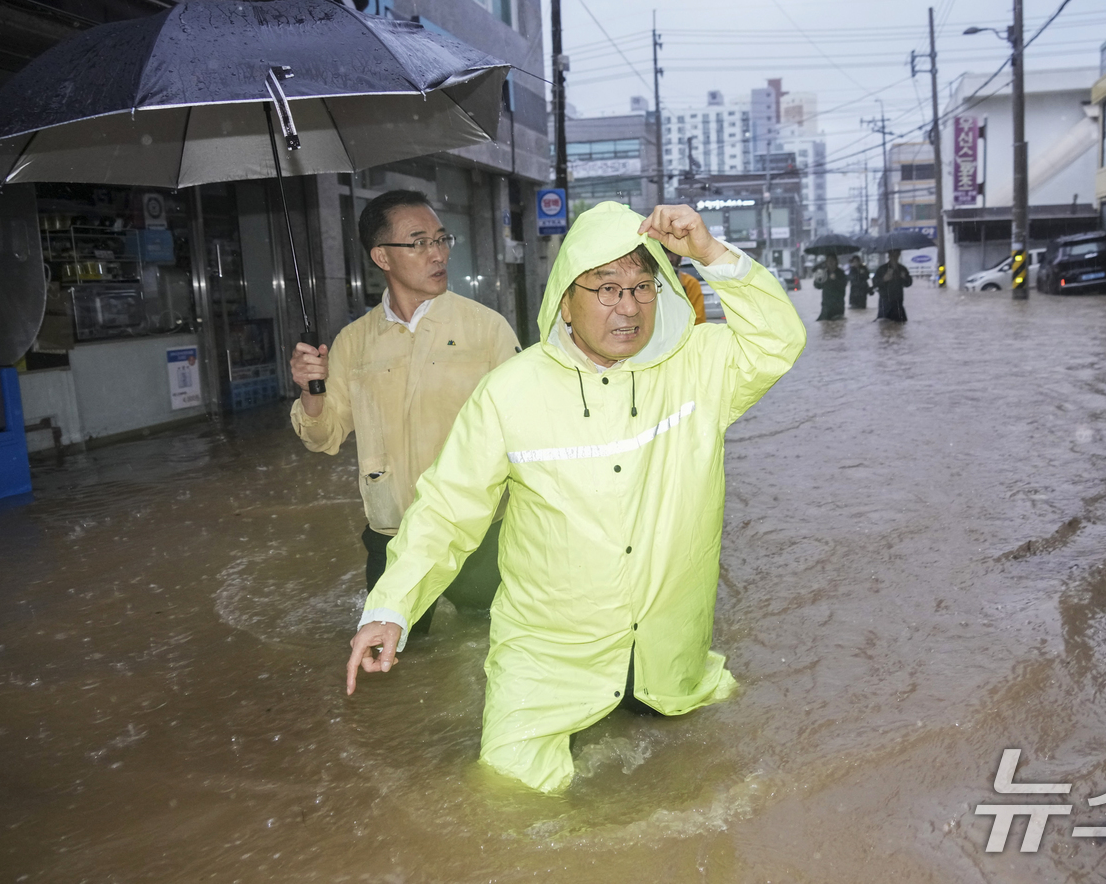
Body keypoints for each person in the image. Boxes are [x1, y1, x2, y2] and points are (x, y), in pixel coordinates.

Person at [344, 201, 806, 793]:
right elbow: (447, 508)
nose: (629, 307)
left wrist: (711, 254)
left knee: (707, 777)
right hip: (549, 654)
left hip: (668, 649)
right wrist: (392, 609)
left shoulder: (698, 366)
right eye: (607, 288)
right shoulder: (510, 392)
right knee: (509, 796)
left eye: (643, 287)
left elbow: (778, 342)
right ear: (566, 296)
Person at [290, 190, 519, 632]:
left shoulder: (487, 329)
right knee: (390, 658)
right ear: (382, 257)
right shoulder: (354, 342)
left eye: (440, 239)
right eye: (418, 242)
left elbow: (528, 430)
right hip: (392, 535)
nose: (438, 253)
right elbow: (324, 438)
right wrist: (310, 391)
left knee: (489, 644)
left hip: (477, 532)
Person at [873, 249, 912, 322]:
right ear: (889, 256)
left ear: (899, 255)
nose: (894, 257)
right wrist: (884, 279)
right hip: (885, 301)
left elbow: (908, 284)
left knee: (900, 324)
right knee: (884, 323)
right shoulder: (882, 269)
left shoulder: (902, 269)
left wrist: (905, 278)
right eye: (893, 255)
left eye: (896, 255)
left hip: (898, 301)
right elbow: (875, 283)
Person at [813, 255, 847, 321]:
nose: (830, 263)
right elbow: (818, 286)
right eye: (828, 261)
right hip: (826, 307)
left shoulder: (841, 273)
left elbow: (843, 286)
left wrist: (835, 279)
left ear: (836, 262)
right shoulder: (824, 273)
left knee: (838, 326)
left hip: (838, 307)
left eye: (832, 260)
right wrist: (817, 278)